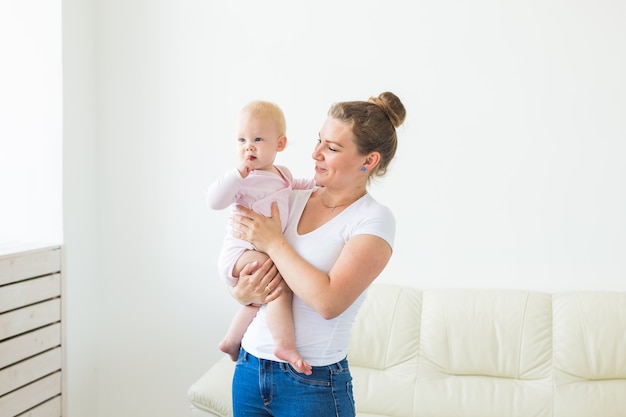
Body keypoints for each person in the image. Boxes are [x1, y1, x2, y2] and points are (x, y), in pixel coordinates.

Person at [227, 92, 406, 417]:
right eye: (319, 141)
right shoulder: (290, 195)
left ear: (368, 161)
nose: (315, 153)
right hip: (250, 369)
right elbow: (245, 260)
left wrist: (274, 244)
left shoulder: (373, 219)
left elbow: (328, 302)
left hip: (312, 383)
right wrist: (239, 291)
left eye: (332, 148)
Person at [206, 100, 315, 375]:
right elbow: (214, 201)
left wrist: (318, 185)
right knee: (278, 284)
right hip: (240, 252)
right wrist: (235, 175)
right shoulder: (243, 179)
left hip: (256, 252)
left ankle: (232, 341)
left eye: (257, 139)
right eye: (241, 140)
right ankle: (284, 344)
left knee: (261, 296)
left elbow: (298, 188)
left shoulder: (283, 174)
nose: (248, 146)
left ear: (280, 144)